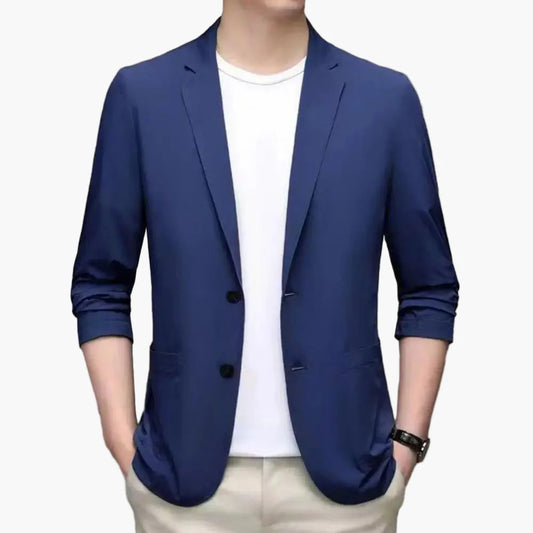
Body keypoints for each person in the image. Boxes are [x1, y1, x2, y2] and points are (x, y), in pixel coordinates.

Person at [70, 1, 459, 531]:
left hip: (349, 487)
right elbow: (101, 283)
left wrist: (407, 445)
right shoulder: (143, 96)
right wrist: (123, 443)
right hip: (181, 487)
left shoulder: (384, 100)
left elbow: (429, 287)